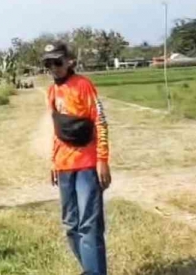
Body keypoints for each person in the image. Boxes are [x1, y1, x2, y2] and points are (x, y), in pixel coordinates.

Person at [45, 41, 111, 275]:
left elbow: (100, 122)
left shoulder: (83, 85)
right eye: (48, 63)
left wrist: (102, 159)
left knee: (89, 225)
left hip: (87, 166)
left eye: (58, 62)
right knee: (71, 225)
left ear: (69, 61)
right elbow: (57, 131)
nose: (54, 67)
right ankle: (90, 269)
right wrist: (54, 161)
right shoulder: (52, 91)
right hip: (64, 168)